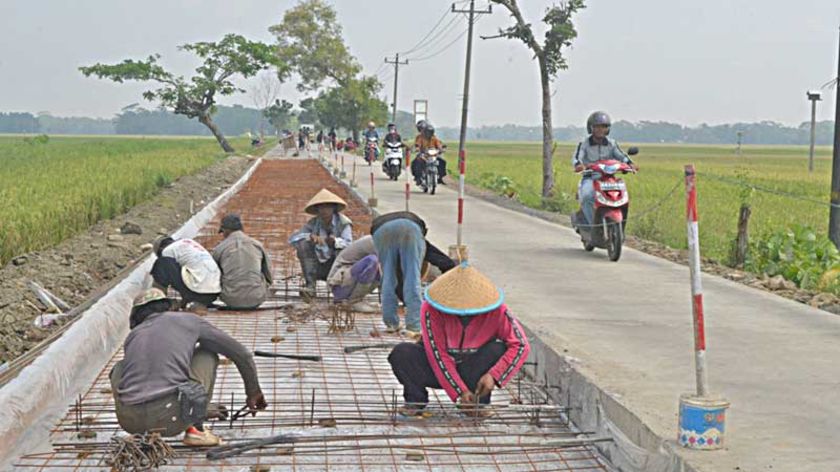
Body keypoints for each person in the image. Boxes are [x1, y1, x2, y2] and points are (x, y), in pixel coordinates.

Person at [110, 288, 267, 446]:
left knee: (120, 366)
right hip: (172, 419)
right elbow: (242, 354)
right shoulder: (189, 320)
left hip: (129, 422)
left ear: (137, 316)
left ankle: (190, 412)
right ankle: (196, 430)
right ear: (168, 307)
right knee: (207, 353)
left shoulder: (134, 335)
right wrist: (253, 391)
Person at [388, 263, 530, 418]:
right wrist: (459, 392)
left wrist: (494, 376)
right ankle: (415, 400)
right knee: (402, 354)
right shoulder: (431, 310)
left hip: (472, 369)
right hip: (436, 370)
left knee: (497, 349)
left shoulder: (498, 311)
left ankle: (478, 402)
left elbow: (521, 345)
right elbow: (438, 356)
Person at [572, 111, 638, 225]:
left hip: (609, 178)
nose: (600, 130)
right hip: (591, 177)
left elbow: (621, 155)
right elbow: (578, 157)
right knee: (587, 197)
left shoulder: (611, 143)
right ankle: (593, 225)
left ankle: (620, 223)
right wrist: (579, 165)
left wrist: (630, 164)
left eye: (604, 127)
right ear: (591, 128)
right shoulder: (584, 144)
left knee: (622, 196)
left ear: (608, 129)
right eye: (597, 127)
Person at [289, 189, 353, 299]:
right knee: (303, 245)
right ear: (317, 209)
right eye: (321, 207)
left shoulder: (344, 223)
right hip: (316, 265)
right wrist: (309, 237)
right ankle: (310, 287)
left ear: (333, 208)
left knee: (343, 250)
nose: (324, 210)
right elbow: (293, 239)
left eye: (327, 207)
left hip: (335, 264)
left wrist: (335, 242)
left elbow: (349, 244)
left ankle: (339, 286)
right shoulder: (313, 223)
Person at [370, 211, 427, 336]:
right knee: (412, 277)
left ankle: (391, 323)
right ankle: (414, 326)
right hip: (410, 228)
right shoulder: (420, 234)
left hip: (380, 230)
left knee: (388, 279)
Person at [211, 214, 273, 310]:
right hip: (257, 298)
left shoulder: (220, 248)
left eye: (222, 232)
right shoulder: (257, 245)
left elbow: (212, 275)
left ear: (226, 230)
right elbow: (269, 276)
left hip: (230, 299)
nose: (223, 236)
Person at [151, 236, 221, 311]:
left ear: (161, 249)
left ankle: (158, 301)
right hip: (214, 293)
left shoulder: (166, 251)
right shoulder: (187, 243)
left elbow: (166, 271)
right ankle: (188, 300)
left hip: (198, 292)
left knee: (161, 264)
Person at [327, 235, 380, 312]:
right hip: (339, 287)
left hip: (348, 285)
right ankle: (355, 301)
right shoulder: (374, 242)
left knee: (383, 268)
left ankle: (356, 299)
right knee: (372, 261)